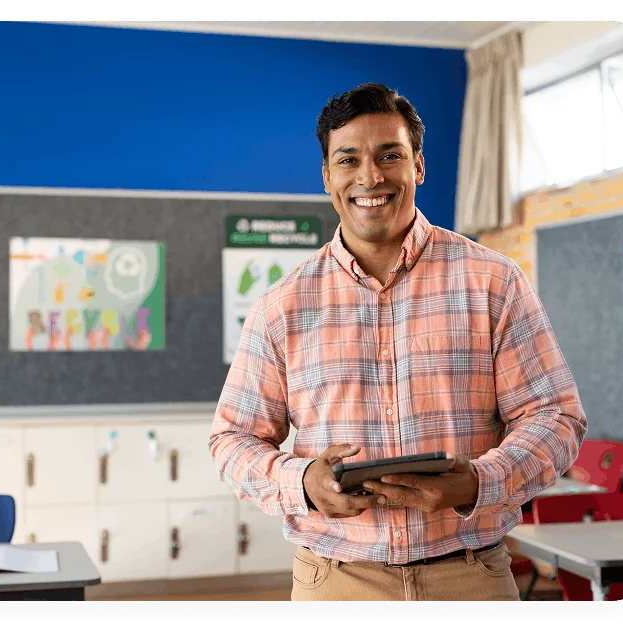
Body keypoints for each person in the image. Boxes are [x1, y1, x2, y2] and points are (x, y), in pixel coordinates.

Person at [208, 82, 587, 602]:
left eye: (391, 155)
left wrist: (480, 481)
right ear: (327, 177)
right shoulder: (282, 304)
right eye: (349, 160)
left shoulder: (493, 281)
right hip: (335, 578)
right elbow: (231, 440)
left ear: (419, 167)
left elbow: (556, 416)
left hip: (471, 573)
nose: (371, 177)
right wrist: (301, 484)